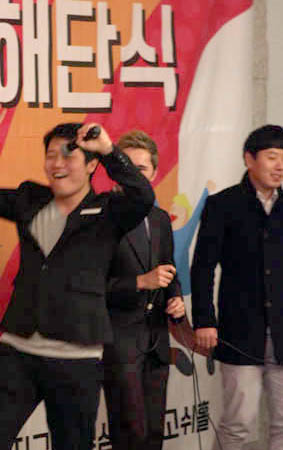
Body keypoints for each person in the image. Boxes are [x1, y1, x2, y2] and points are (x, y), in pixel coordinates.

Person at [0, 105, 155, 450]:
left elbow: (144, 196)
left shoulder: (109, 211)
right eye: (50, 155)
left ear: (91, 165)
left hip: (77, 357)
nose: (57, 163)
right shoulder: (29, 199)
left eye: (68, 155)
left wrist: (108, 150)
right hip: (19, 350)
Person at [192, 124, 283, 450]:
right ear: (249, 159)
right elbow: (202, 268)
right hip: (241, 331)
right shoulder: (223, 205)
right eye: (272, 157)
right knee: (238, 424)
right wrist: (204, 320)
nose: (280, 166)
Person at [102, 130, 185, 450]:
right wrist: (139, 282)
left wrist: (175, 299)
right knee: (130, 433)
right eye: (127, 166)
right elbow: (85, 286)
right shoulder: (99, 215)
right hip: (118, 341)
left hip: (157, 340)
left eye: (141, 169)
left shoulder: (160, 218)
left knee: (153, 433)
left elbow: (168, 269)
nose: (134, 175)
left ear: (154, 173)